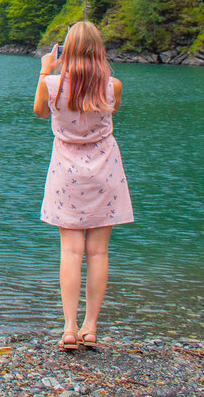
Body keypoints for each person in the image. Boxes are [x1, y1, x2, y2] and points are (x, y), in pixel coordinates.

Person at [34, 20, 133, 351]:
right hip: (105, 171)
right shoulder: (113, 85)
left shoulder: (51, 85)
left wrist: (46, 69)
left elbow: (38, 113)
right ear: (99, 51)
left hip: (66, 175)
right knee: (99, 251)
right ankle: (91, 327)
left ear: (67, 52)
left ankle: (70, 328)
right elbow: (112, 111)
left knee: (71, 251)